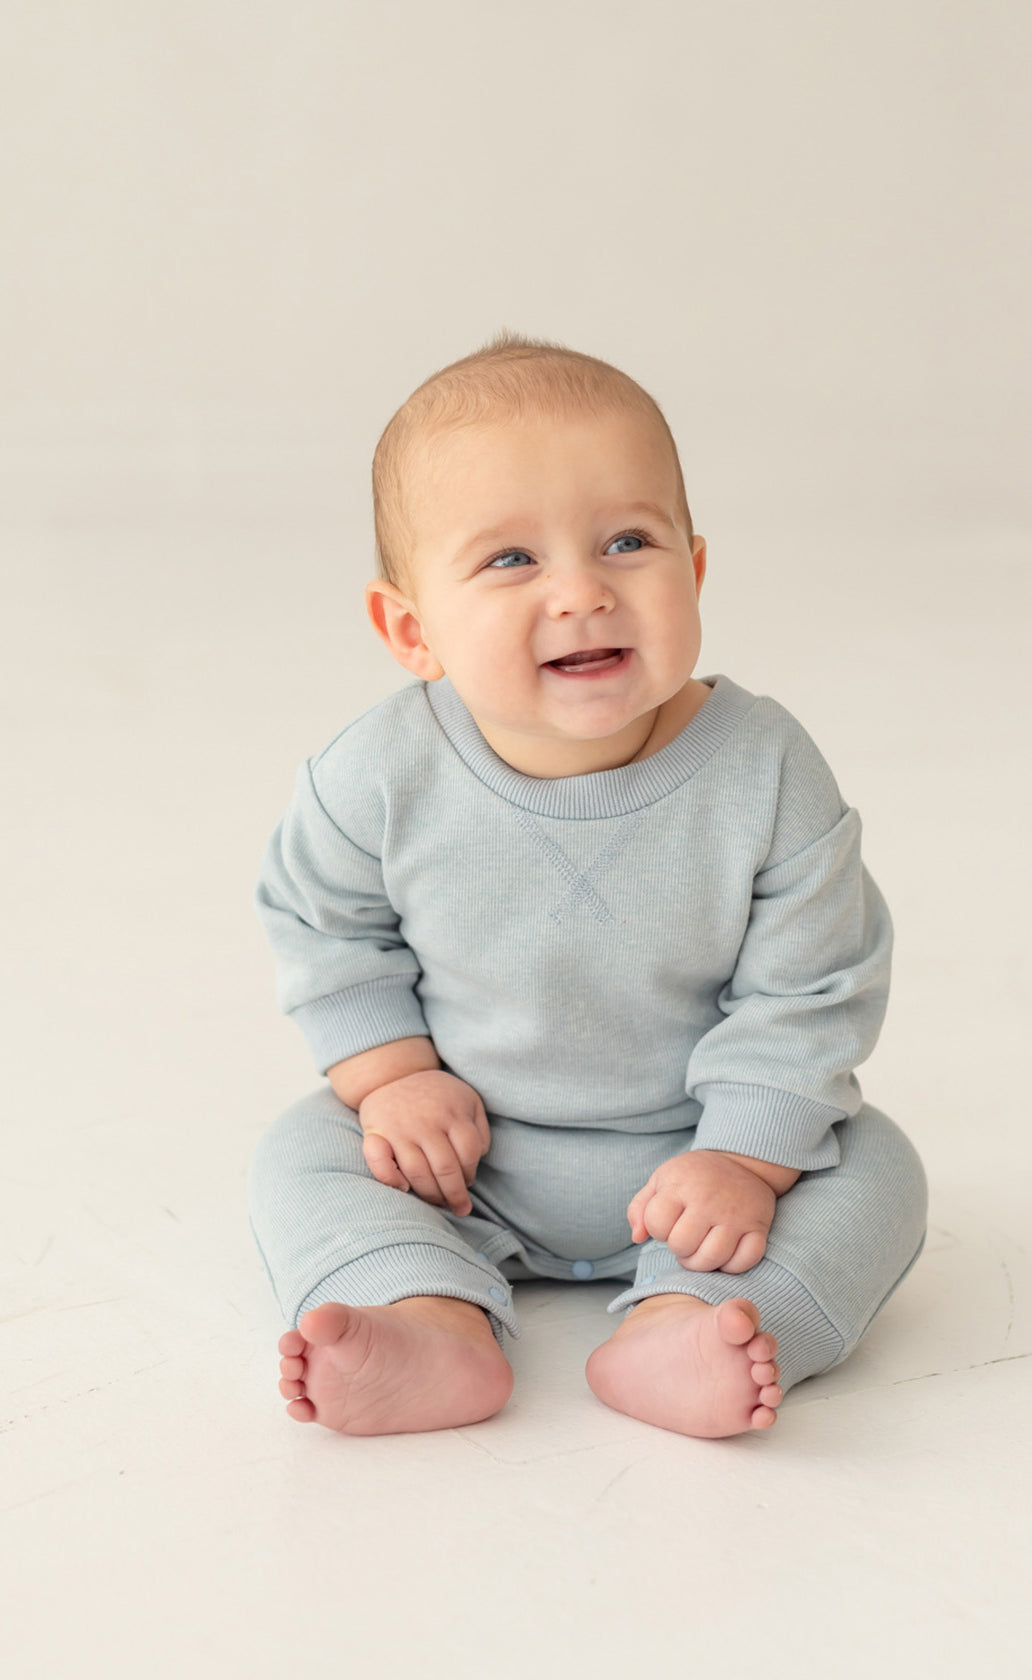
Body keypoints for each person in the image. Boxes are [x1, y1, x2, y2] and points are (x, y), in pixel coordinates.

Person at [248, 329, 928, 1440]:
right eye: (512, 561)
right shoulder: (377, 774)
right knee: (302, 1149)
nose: (582, 593)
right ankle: (424, 1316)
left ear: (695, 571)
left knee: (879, 1171)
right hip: (465, 1153)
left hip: (703, 1155)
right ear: (411, 628)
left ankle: (692, 1323)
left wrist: (746, 1157)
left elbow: (816, 982)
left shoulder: (764, 767)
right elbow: (326, 926)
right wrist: (391, 1080)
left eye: (626, 542)